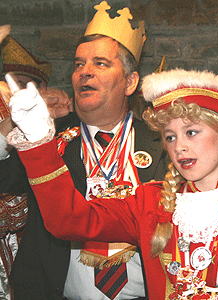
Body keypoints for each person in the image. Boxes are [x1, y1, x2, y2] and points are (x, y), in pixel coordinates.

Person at [5, 66, 218, 299]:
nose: (179, 147)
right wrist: (38, 143)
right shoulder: (149, 202)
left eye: (192, 132)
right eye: (170, 137)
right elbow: (69, 221)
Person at [0, 2, 167, 299]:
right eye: (78, 64)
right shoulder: (47, 142)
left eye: (100, 63)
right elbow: (3, 177)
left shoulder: (166, 144)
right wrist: (11, 128)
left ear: (130, 82)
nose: (84, 73)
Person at [0, 25, 72, 300]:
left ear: (42, 88)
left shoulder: (66, 124)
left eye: (23, 84)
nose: (14, 92)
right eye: (9, 83)